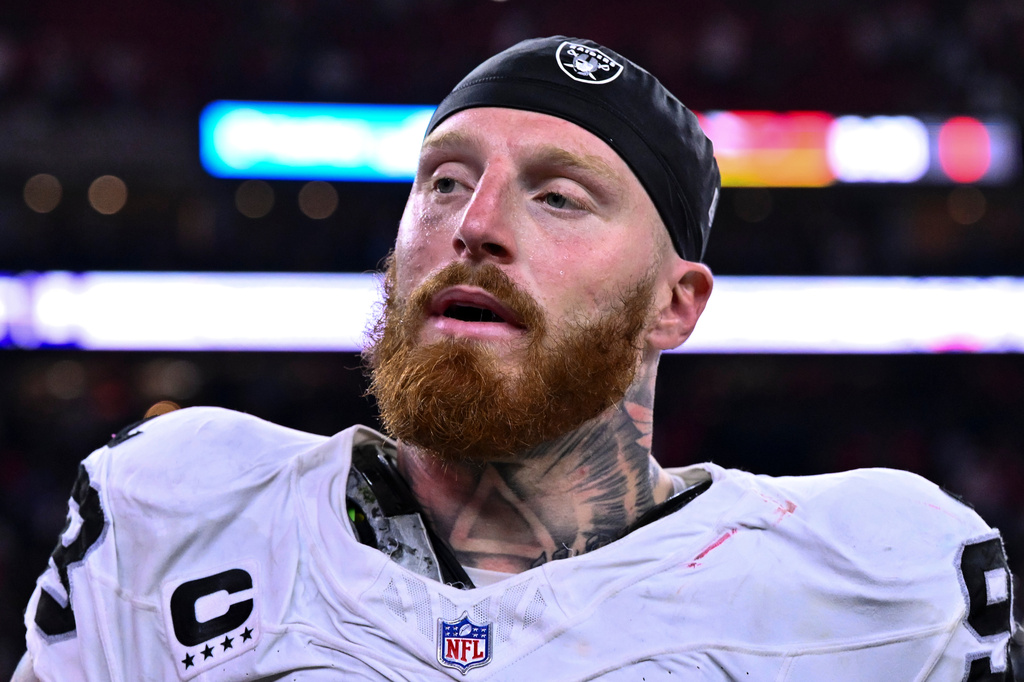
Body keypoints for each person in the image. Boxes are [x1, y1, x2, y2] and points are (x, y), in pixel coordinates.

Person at [15, 36, 1019, 681]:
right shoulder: (176, 509)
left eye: (559, 197)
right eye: (445, 181)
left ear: (674, 305)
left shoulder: (883, 580)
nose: (476, 224)